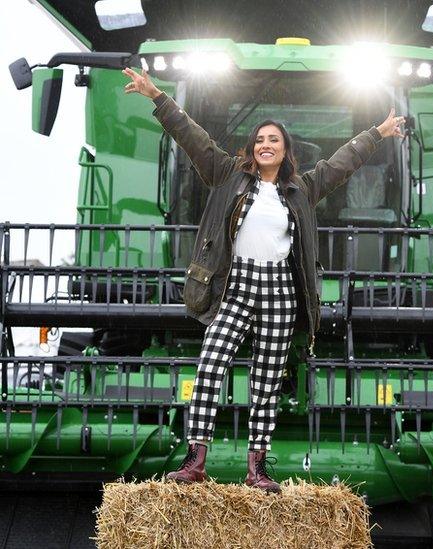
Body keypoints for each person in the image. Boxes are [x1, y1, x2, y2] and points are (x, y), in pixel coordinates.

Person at [122, 67, 405, 493]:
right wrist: (157, 96)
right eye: (260, 140)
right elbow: (191, 135)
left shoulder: (302, 189)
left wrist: (377, 133)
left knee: (265, 382)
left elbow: (342, 163)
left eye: (274, 140)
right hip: (236, 288)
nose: (265, 145)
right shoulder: (226, 174)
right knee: (210, 365)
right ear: (251, 149)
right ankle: (196, 461)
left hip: (279, 292)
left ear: (286, 149)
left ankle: (257, 469)